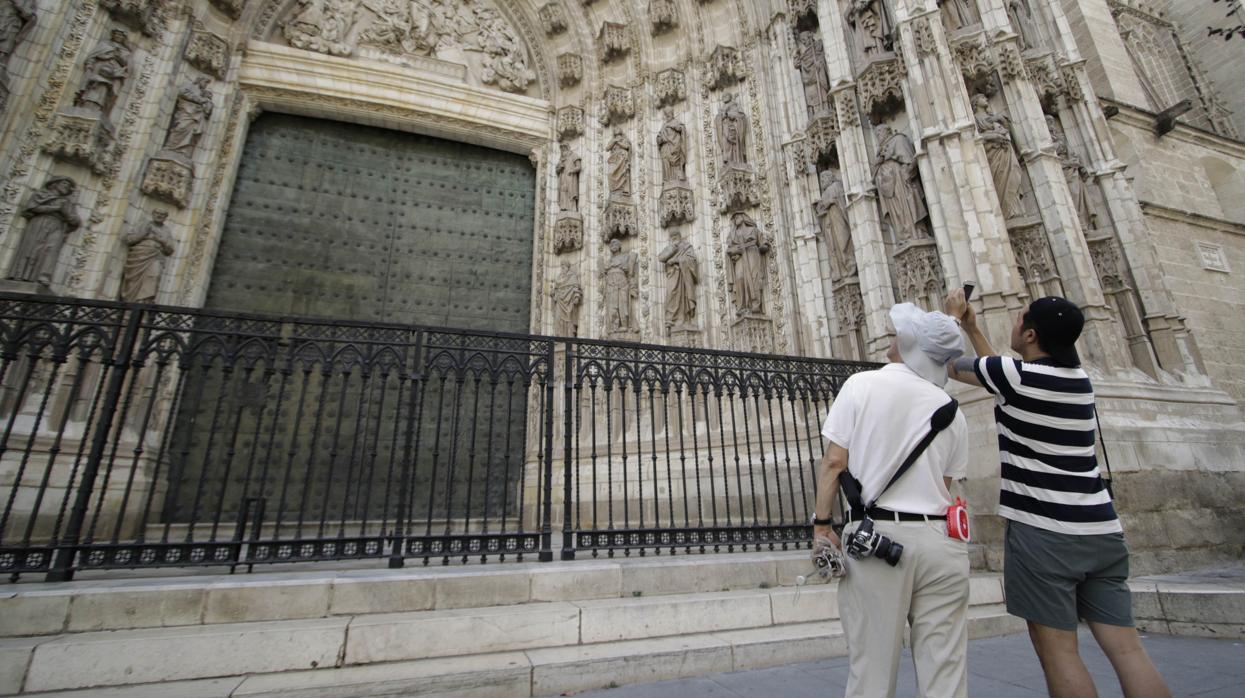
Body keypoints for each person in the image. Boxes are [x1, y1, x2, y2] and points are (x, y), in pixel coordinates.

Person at [943, 290, 1171, 698]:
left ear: (1030, 335)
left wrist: (950, 320)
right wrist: (973, 327)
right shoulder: (1078, 381)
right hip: (1102, 530)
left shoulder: (1015, 378)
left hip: (1045, 534)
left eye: (1019, 319)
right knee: (1127, 649)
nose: (1013, 323)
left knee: (1059, 653)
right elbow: (1002, 371)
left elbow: (954, 366)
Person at [813, 303, 970, 698]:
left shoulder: (861, 385)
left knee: (872, 671)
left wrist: (821, 524)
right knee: (946, 671)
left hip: (878, 542)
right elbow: (944, 483)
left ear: (907, 344)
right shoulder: (952, 410)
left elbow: (834, 462)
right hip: (941, 544)